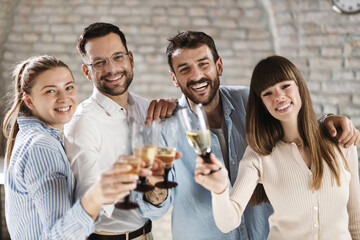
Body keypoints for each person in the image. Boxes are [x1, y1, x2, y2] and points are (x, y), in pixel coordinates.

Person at [137, 31, 360, 240]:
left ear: (219, 65)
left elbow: (292, 116)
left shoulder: (251, 101)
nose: (196, 75)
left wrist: (328, 122)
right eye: (184, 69)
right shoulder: (165, 127)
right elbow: (153, 210)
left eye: (203, 64)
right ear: (174, 78)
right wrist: (154, 183)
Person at [195, 55, 360, 239]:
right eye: (268, 93)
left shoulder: (340, 140)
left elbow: (356, 220)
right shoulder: (259, 155)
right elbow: (228, 222)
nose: (279, 97)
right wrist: (219, 190)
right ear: (263, 105)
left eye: (285, 86)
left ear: (299, 86)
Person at [3, 55, 142, 239]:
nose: (64, 98)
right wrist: (94, 198)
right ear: (29, 101)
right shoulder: (41, 146)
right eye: (50, 91)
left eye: (68, 87)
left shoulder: (34, 136)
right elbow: (59, 236)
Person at [63, 22, 176, 240]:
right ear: (87, 71)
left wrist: (155, 187)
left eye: (118, 57)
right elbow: (86, 203)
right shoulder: (83, 122)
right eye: (99, 62)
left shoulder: (148, 111)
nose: (112, 68)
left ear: (130, 59)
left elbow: (160, 205)